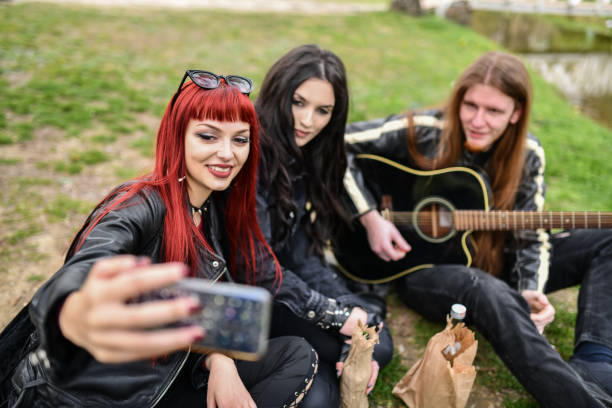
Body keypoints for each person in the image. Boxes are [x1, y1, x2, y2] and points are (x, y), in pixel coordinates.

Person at [1, 70, 318, 407]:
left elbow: (192, 313)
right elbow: (84, 271)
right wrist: (74, 311)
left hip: (165, 374)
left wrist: (218, 358)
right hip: (88, 397)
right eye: (208, 136)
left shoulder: (208, 207)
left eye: (240, 139)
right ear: (177, 136)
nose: (227, 153)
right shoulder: (137, 207)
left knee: (297, 355)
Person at [342, 51, 612, 407]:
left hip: (494, 260)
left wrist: (530, 290)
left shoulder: (528, 154)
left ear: (516, 113)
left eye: (494, 111)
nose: (478, 120)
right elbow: (336, 143)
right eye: (470, 105)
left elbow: (530, 234)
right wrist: (369, 216)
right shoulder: (425, 129)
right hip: (425, 268)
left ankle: (597, 359)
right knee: (485, 289)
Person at [253, 44, 394, 406]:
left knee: (375, 338)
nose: (307, 121)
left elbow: (299, 253)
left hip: (286, 287)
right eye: (298, 102)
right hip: (252, 296)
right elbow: (257, 268)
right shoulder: (249, 153)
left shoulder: (300, 158)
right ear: (277, 94)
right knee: (346, 344)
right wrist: (333, 315)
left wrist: (350, 310)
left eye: (322, 111)